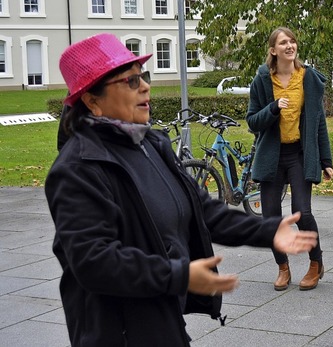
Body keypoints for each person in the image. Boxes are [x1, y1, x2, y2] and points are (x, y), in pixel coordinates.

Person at [45, 33, 318, 347]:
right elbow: (94, 261)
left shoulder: (150, 143)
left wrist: (266, 231)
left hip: (160, 315)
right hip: (115, 331)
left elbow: (201, 209)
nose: (146, 86)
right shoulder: (78, 169)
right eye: (130, 81)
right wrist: (179, 276)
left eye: (143, 77)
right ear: (92, 101)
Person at [246, 27, 333, 291]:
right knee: (270, 219)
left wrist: (325, 160)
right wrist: (272, 108)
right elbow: (252, 122)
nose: (290, 45)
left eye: (292, 41)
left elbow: (318, 123)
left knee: (301, 213)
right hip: (272, 156)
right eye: (283, 42)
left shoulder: (307, 79)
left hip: (298, 154)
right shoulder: (262, 81)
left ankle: (315, 264)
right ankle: (283, 268)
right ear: (273, 50)